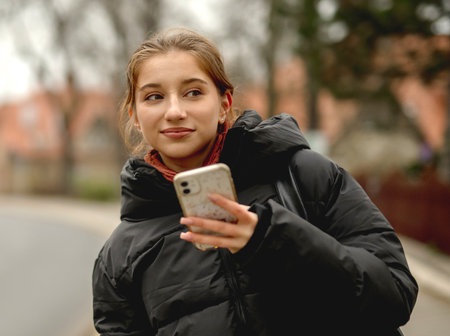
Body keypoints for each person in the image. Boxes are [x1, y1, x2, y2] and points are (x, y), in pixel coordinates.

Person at [92, 27, 418, 336]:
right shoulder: (119, 256)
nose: (175, 111)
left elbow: (394, 293)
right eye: (154, 97)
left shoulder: (305, 176)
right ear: (134, 114)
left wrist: (271, 239)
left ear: (224, 104)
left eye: (193, 92)